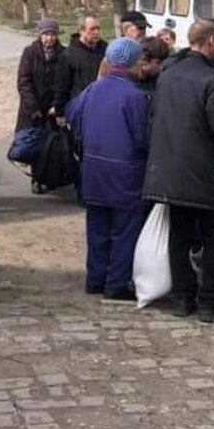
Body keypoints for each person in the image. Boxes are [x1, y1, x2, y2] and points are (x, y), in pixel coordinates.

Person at [143, 20, 214, 323]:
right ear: (210, 41)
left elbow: (154, 118)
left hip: (170, 169)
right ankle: (208, 301)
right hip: (206, 171)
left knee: (179, 236)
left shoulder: (167, 75)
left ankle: (182, 298)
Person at [65, 38, 150, 302]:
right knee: (124, 231)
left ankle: (95, 279)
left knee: (97, 228)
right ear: (131, 63)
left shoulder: (93, 89)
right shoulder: (136, 97)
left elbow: (72, 113)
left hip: (93, 169)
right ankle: (116, 283)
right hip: (125, 173)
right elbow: (142, 138)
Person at [54, 15, 107, 116]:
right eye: (92, 29)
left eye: (98, 28)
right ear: (81, 31)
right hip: (80, 109)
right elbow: (62, 87)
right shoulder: (68, 55)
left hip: (103, 106)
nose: (96, 32)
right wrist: (60, 112)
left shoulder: (106, 50)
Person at [17, 17, 64, 129]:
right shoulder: (30, 52)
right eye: (46, 34)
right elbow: (24, 82)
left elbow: (64, 83)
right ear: (40, 35)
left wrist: (57, 106)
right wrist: (33, 107)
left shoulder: (63, 54)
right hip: (31, 111)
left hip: (53, 111)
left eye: (53, 34)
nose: (50, 38)